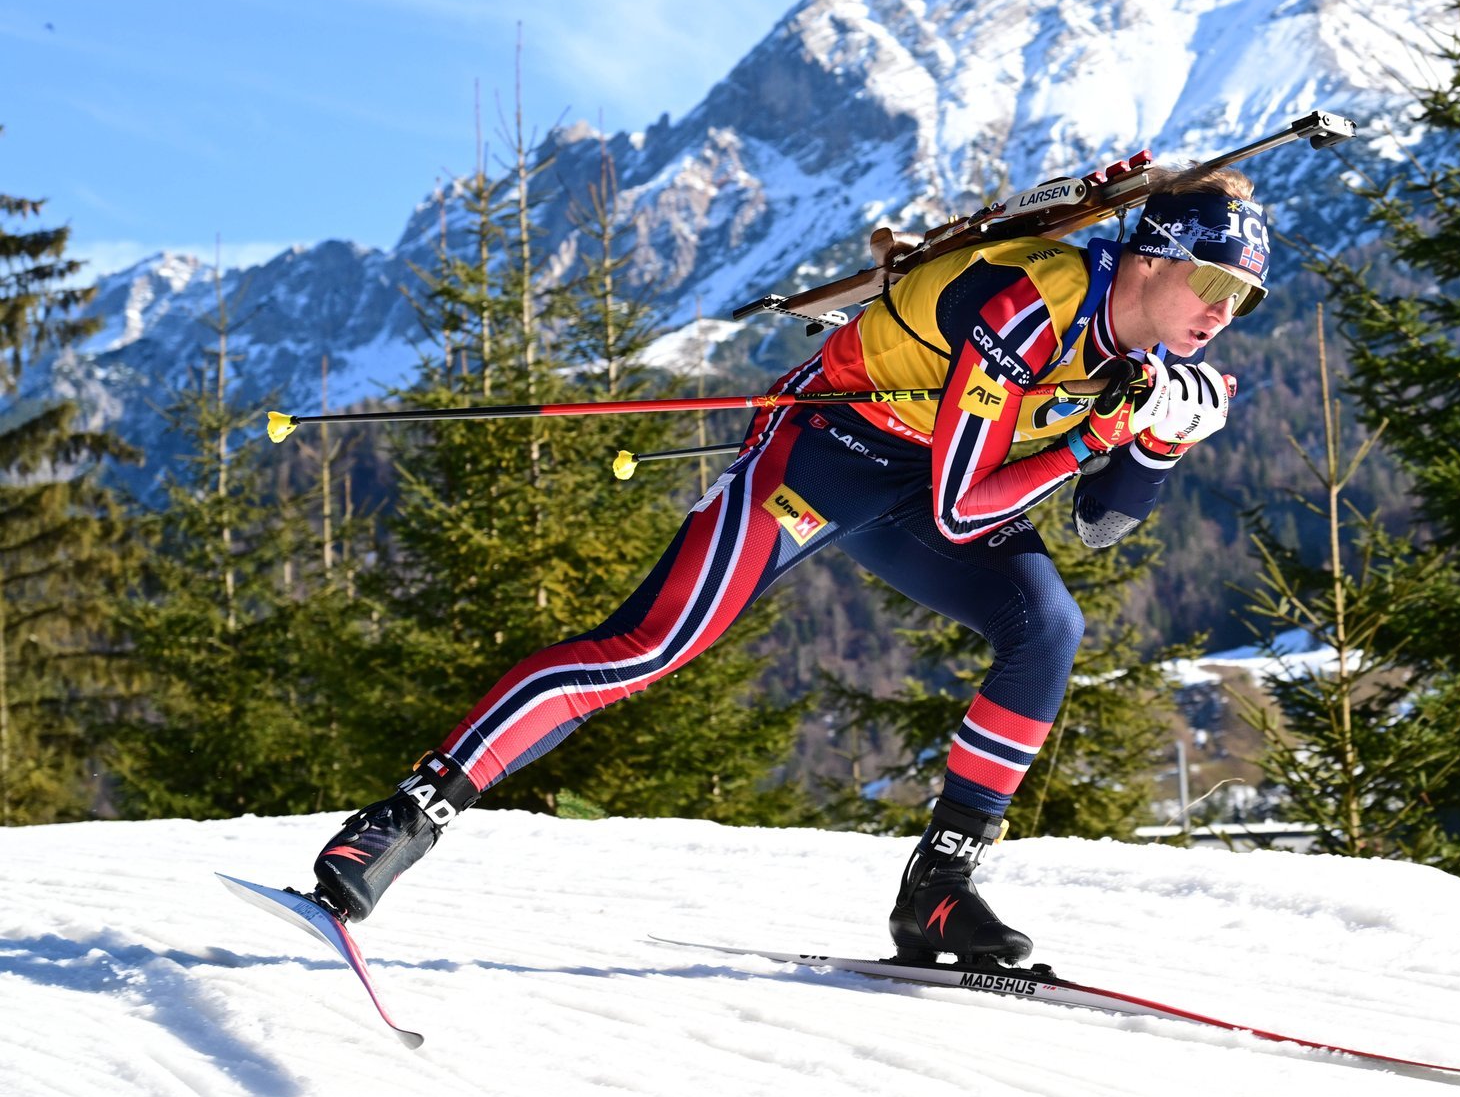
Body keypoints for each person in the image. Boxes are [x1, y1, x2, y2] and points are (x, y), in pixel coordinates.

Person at [311, 163, 1272, 965]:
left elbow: (1100, 526)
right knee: (652, 645)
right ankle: (400, 819)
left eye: (1246, 299)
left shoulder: (1159, 364)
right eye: (1216, 286)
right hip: (828, 456)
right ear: (1154, 257)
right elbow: (959, 503)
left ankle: (938, 891)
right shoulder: (1031, 305)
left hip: (939, 478)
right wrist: (1093, 438)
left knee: (1049, 625)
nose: (1225, 313)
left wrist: (1160, 442)